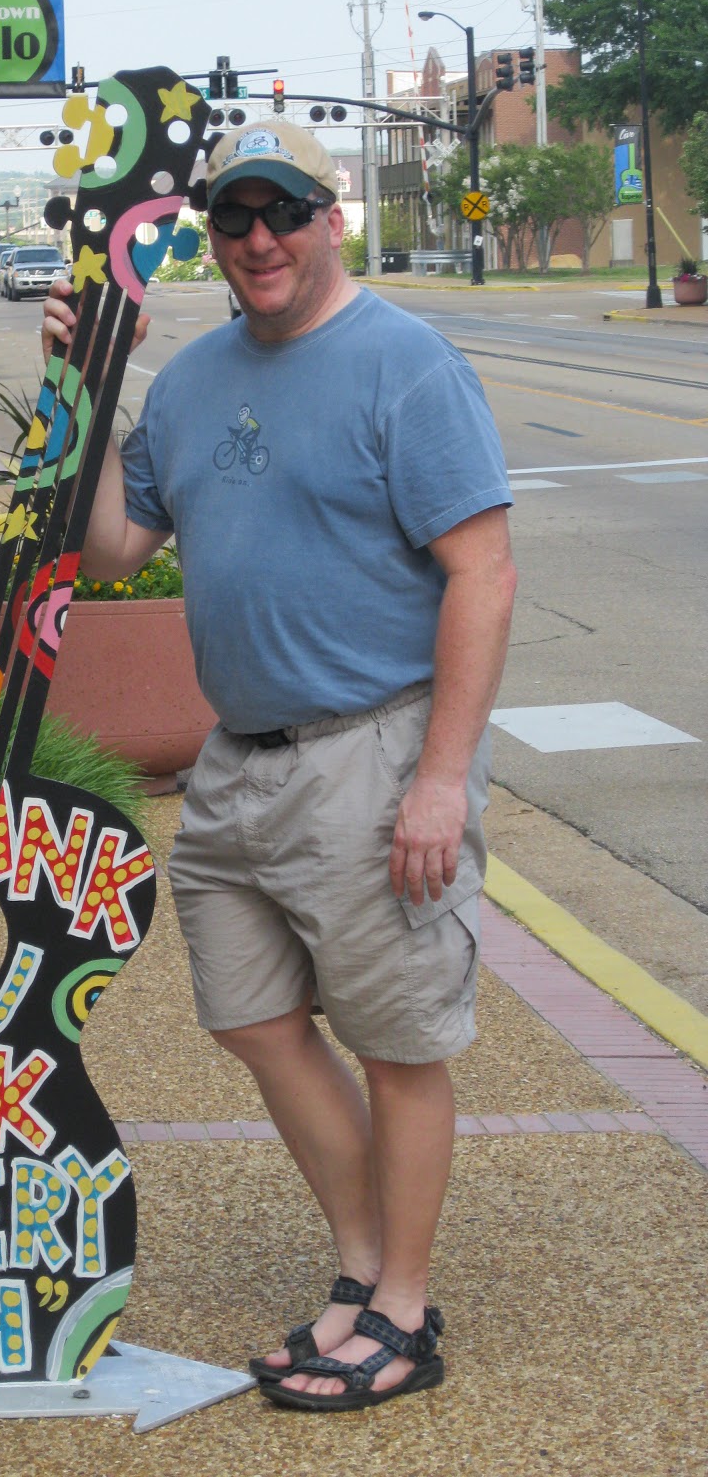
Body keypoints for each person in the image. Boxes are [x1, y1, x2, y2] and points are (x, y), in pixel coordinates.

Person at [41, 118, 516, 1413]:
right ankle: (361, 1276)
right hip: (238, 764)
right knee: (252, 1020)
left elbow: (483, 568)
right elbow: (119, 549)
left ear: (329, 218)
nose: (257, 239)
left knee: (400, 1042)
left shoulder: (401, 364)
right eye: (232, 219)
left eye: (282, 213)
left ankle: (403, 1318)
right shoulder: (193, 381)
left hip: (374, 750)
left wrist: (440, 778)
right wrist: (84, 397)